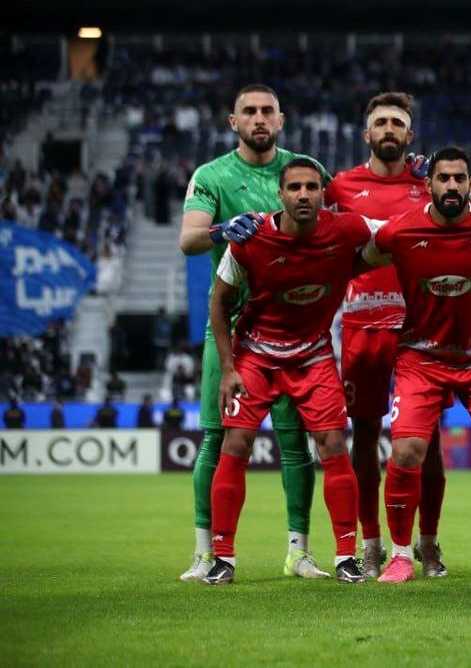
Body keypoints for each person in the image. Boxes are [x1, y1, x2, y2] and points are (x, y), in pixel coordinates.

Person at [364, 147, 471, 583]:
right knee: (407, 450)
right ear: (429, 184)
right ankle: (401, 556)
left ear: (470, 184)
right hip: (420, 356)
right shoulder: (400, 231)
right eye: (443, 178)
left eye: (459, 179)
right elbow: (359, 259)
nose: (451, 186)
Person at [177, 83, 329, 583]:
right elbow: (188, 240)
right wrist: (223, 230)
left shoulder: (304, 170)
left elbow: (347, 215)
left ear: (281, 120)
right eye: (249, 112)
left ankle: (299, 552)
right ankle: (205, 553)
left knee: (295, 443)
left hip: (292, 329)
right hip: (229, 329)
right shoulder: (212, 175)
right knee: (216, 439)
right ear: (233, 122)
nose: (259, 119)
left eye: (267, 111)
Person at [203, 157, 376, 586]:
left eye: (311, 187)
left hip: (313, 356)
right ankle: (222, 557)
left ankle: (346, 556)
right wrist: (228, 369)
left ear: (323, 194)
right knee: (235, 443)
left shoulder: (348, 229)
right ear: (280, 194)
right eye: (294, 187)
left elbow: (398, 231)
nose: (303, 195)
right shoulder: (250, 238)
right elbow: (219, 302)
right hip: (256, 355)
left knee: (333, 444)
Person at [326, 92, 441, 579]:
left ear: (410, 135)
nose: (389, 129)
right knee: (366, 435)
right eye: (381, 123)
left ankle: (428, 543)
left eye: (397, 122)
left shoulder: (431, 184)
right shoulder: (340, 186)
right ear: (367, 134)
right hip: (362, 325)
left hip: (420, 325)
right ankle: (371, 543)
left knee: (428, 439)